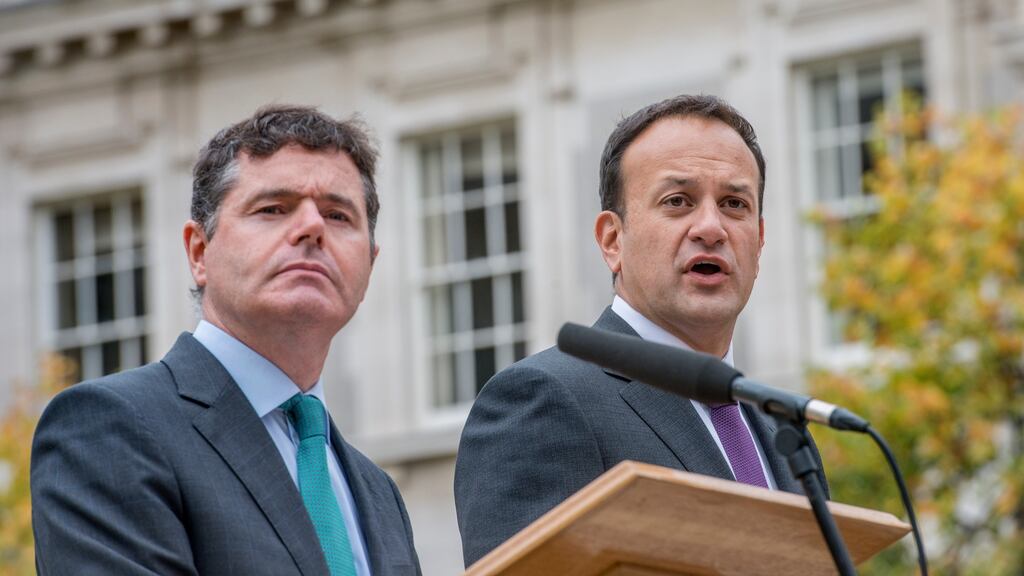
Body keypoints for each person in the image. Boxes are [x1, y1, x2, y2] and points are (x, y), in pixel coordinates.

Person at [31, 105, 421, 576]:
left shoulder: (378, 493)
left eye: (338, 216)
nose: (312, 228)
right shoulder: (107, 428)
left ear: (370, 266)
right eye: (273, 209)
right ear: (199, 252)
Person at [454, 94, 829, 566]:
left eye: (734, 204)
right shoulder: (541, 399)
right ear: (613, 240)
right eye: (678, 201)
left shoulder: (781, 429)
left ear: (760, 239)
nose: (711, 228)